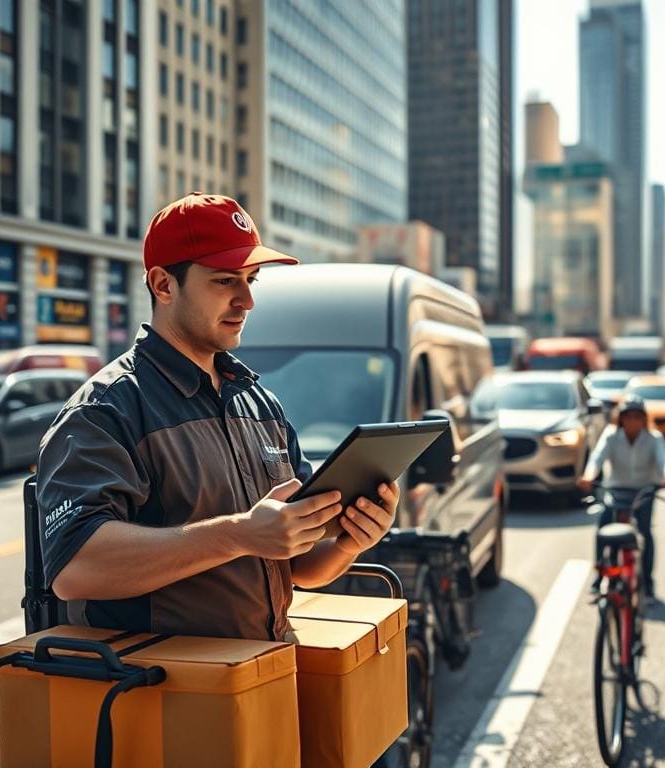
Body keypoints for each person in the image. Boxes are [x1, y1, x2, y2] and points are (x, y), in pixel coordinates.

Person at [37, 193, 400, 641]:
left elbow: (297, 566)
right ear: (164, 285)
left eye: (251, 279)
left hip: (262, 680)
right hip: (165, 695)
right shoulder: (106, 409)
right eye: (226, 281)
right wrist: (238, 534)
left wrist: (349, 541)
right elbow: (75, 567)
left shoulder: (260, 403)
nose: (247, 300)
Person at [578, 394, 665, 601]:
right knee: (603, 529)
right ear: (620, 418)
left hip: (643, 492)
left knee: (645, 533)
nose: (632, 421)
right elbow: (597, 458)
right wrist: (588, 477)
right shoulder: (611, 435)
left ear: (644, 419)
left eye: (637, 417)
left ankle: (648, 584)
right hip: (616, 491)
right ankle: (601, 576)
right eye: (628, 416)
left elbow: (664, 460)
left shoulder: (653, 438)